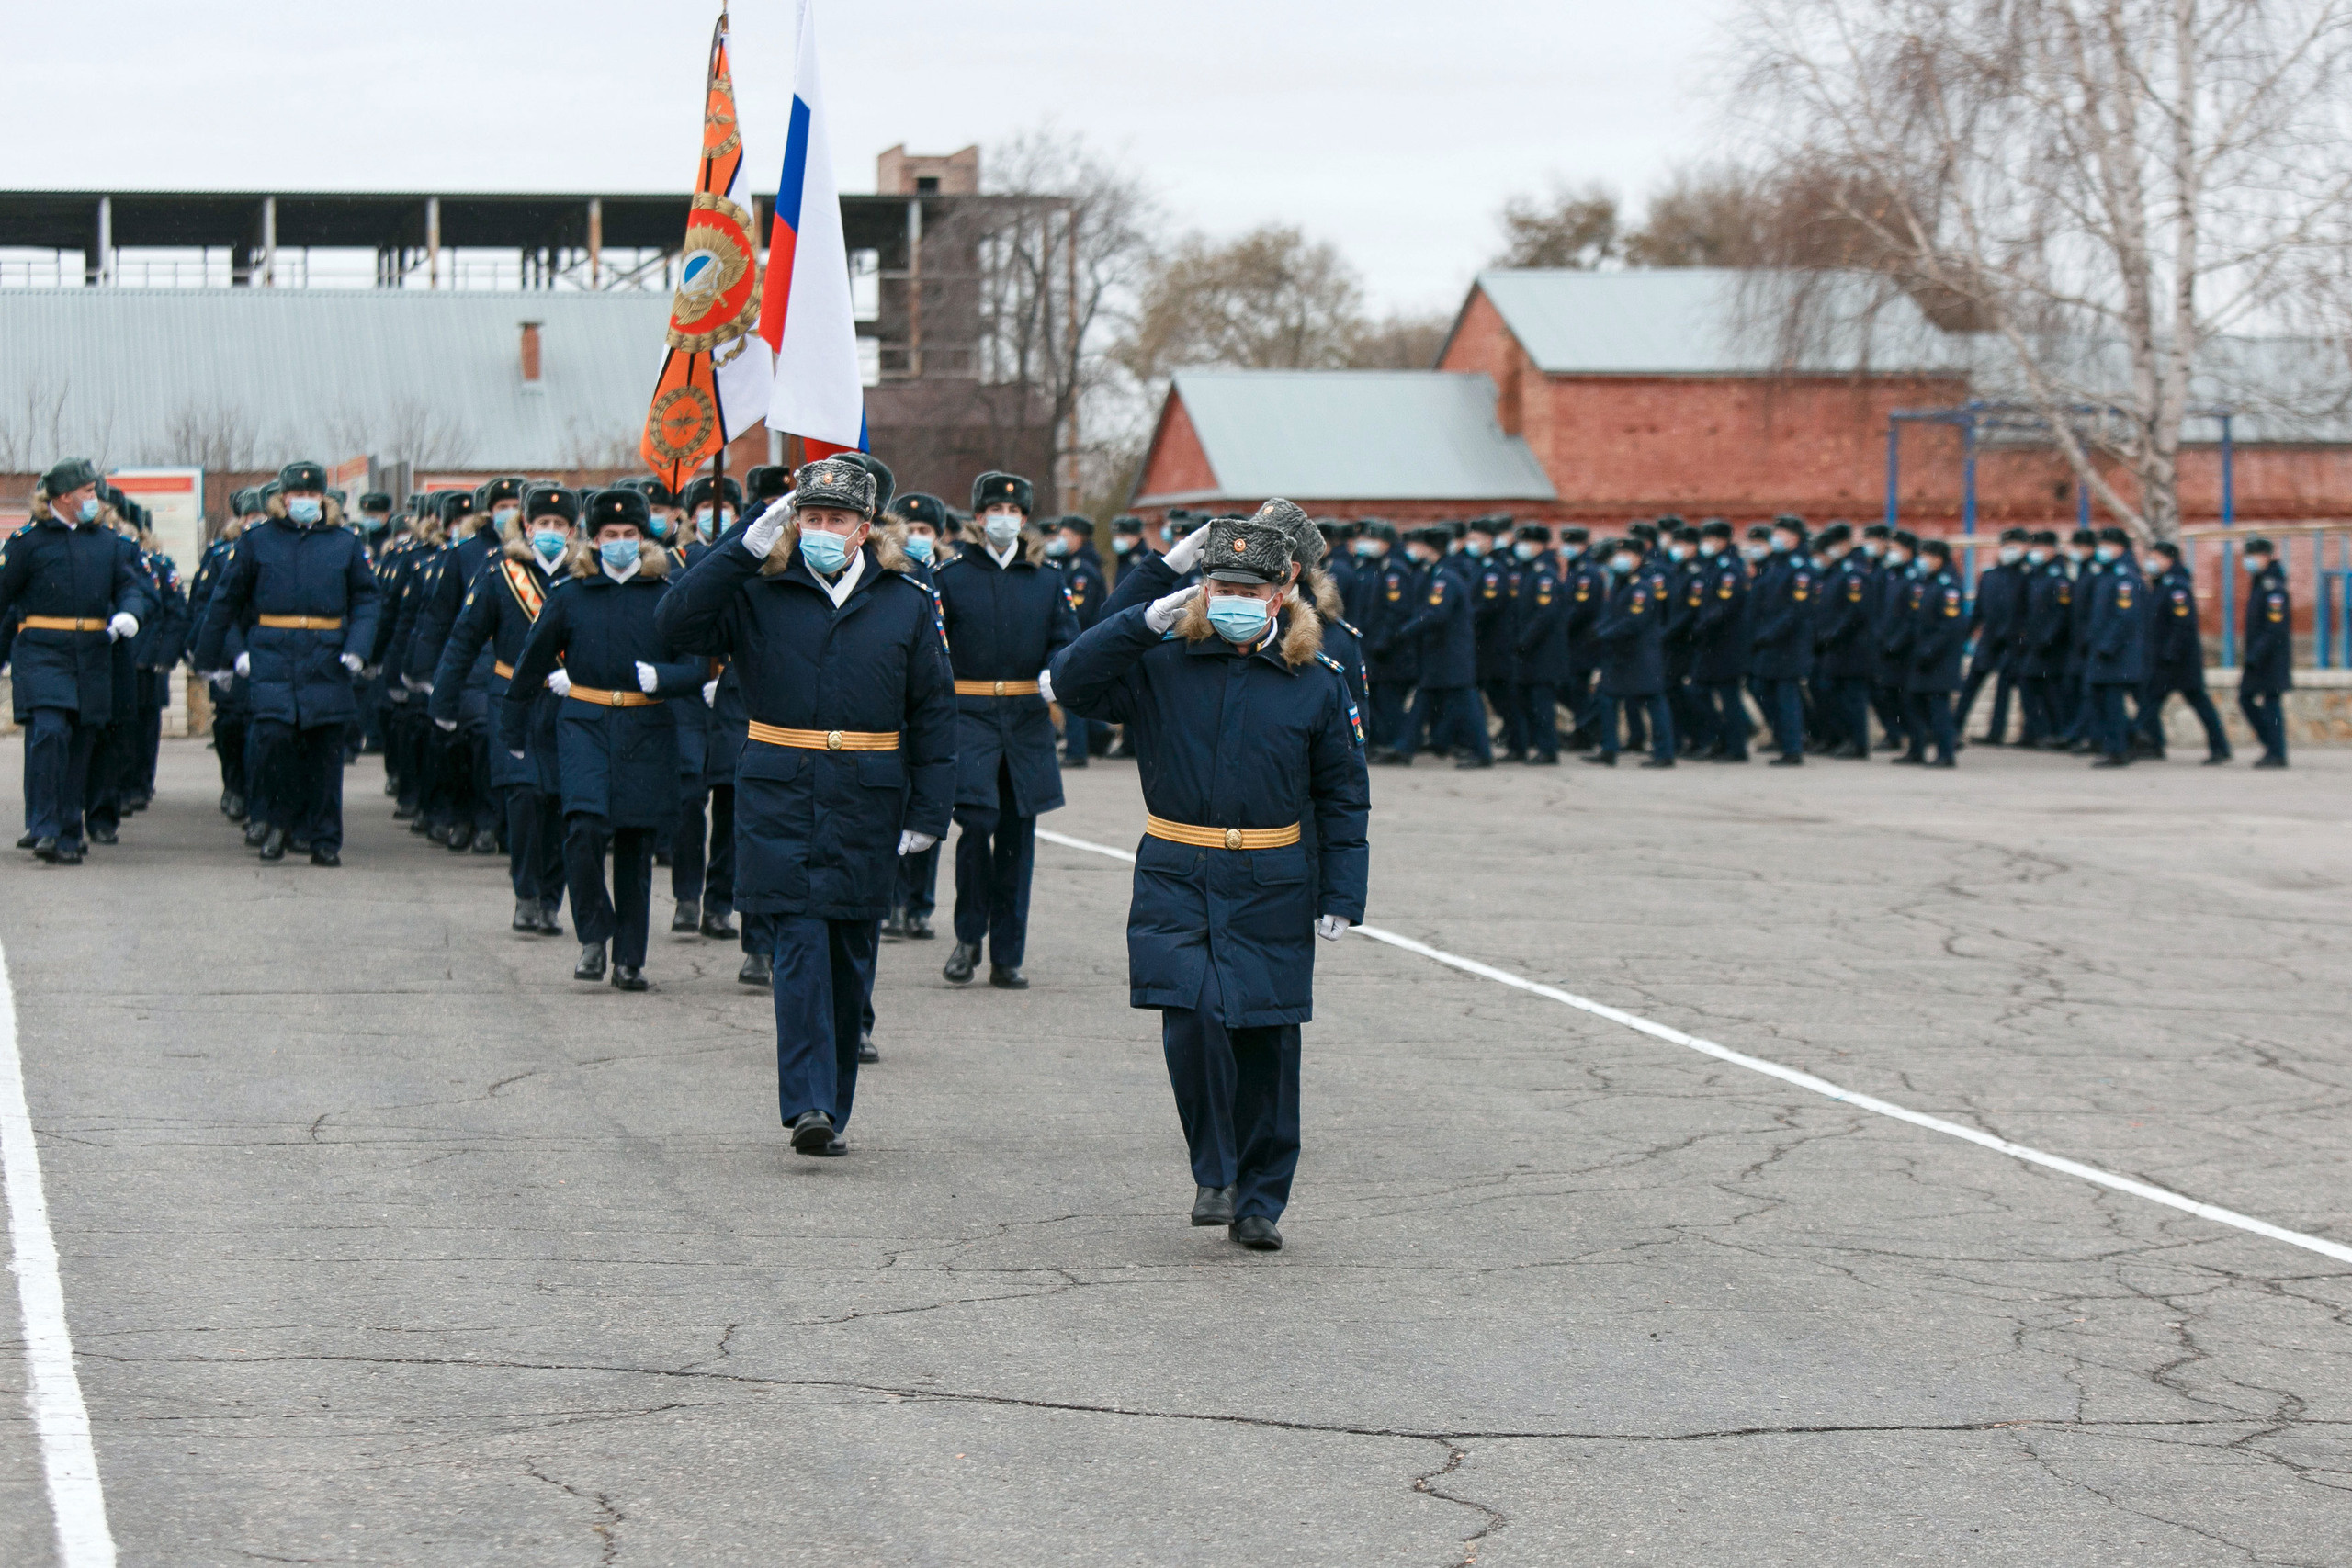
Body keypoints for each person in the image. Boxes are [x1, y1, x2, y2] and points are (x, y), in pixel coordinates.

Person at [1049, 508, 1369, 1252]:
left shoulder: (1314, 680)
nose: (1230, 596)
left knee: (1266, 1040)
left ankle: (1261, 1198)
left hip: (1273, 876)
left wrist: (1341, 892)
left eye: (1246, 587)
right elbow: (1072, 680)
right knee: (1190, 1016)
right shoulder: (1161, 664)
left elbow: (1343, 793)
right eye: (1219, 582)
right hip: (1177, 870)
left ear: (1280, 593)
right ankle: (1216, 1174)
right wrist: (1145, 605)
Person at [655, 457, 956, 1155]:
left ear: (864, 528)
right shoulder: (759, 591)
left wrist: (929, 813)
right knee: (797, 943)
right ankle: (808, 1103)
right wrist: (742, 546)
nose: (823, 529)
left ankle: (834, 1099)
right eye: (811, 518)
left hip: (867, 794)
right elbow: (673, 622)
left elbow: (935, 716)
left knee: (850, 952)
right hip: (779, 789)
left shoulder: (905, 602)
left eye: (837, 519)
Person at [500, 488, 705, 990]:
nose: (619, 543)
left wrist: (665, 677)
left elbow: (698, 667)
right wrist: (514, 723)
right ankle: (595, 933)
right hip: (585, 726)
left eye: (628, 535)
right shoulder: (571, 595)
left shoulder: (666, 597)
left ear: (642, 538)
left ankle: (629, 958)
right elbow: (531, 661)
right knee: (584, 829)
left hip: (645, 730)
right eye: (609, 535)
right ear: (592, 539)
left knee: (635, 843)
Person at [933, 471, 1079, 989]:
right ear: (978, 518)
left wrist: (1053, 670)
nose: (1005, 519)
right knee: (975, 826)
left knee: (1019, 837)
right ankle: (968, 937)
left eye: (1015, 513)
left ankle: (1007, 954)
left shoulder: (1046, 578)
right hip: (969, 719)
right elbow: (934, 647)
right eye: (995, 510)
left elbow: (1066, 639)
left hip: (1025, 721)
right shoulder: (949, 577)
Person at [191, 460, 379, 864]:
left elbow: (367, 598)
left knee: (325, 750)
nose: (306, 503)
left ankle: (324, 838)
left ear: (324, 499)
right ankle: (275, 825)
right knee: (274, 743)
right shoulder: (258, 541)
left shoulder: (343, 543)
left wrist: (358, 647)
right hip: (273, 654)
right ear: (283, 498)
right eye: (298, 496)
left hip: (327, 657)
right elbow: (226, 600)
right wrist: (213, 659)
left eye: (313, 496)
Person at [433, 483, 577, 933]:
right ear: (528, 527)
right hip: (512, 699)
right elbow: (464, 638)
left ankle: (553, 898)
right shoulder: (500, 573)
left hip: (569, 703)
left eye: (559, 525)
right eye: (543, 524)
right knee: (523, 797)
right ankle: (526, 894)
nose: (550, 532)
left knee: (560, 802)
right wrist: (445, 695)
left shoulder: (585, 578)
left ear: (572, 530)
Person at [0, 458, 150, 863]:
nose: (94, 500)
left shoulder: (106, 543)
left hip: (91, 655)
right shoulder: (26, 543)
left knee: (81, 745)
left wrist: (129, 613)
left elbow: (130, 586)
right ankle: (45, 827)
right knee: (50, 733)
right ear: (64, 496)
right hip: (42, 652)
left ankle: (69, 832)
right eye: (87, 492)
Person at [881, 492, 954, 942]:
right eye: (909, 531)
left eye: (925, 531)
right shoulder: (892, 576)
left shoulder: (944, 579)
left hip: (930, 703)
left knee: (927, 809)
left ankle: (919, 905)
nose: (916, 539)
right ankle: (889, 900)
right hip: (893, 711)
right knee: (891, 808)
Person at [2133, 542, 2231, 763]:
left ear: (2169, 559)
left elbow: (2182, 625)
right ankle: (2149, 744)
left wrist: (2169, 653)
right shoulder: (2161, 584)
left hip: (2179, 662)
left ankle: (2220, 748)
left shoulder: (2177, 587)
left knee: (2194, 703)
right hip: (2165, 659)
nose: (2152, 563)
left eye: (2155, 558)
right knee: (2150, 702)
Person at [1587, 537, 1673, 766]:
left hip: (1640, 655)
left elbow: (1634, 621)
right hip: (1620, 655)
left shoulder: (1641, 587)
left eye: (1625, 555)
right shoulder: (1620, 583)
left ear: (1637, 558)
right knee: (1607, 698)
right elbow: (1612, 616)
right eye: (1617, 555)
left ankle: (1664, 753)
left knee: (1654, 701)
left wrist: (1604, 634)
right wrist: (1600, 630)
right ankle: (1609, 749)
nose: (1620, 560)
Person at [1747, 515, 1815, 765]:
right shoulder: (1776, 564)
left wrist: (1769, 634)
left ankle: (1793, 747)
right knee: (1764, 689)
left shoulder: (1800, 568)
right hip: (1770, 641)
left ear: (1794, 538)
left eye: (1781, 534)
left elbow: (1796, 610)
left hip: (1788, 643)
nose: (1775, 539)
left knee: (1786, 695)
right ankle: (1786, 739)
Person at [2081, 527, 2149, 767]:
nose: (2102, 550)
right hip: (2102, 651)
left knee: (2111, 702)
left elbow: (2125, 617)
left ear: (2120, 547)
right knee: (2099, 699)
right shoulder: (2107, 574)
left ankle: (2118, 748)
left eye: (2107, 545)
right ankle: (2125, 740)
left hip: (2117, 653)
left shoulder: (2124, 578)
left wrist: (2107, 646)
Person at [1046, 513, 1111, 766]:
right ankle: (1097, 734)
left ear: (1078, 537)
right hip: (1080, 637)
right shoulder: (1073, 563)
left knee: (1070, 691)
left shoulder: (1082, 569)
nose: (1061, 541)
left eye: (1065, 536)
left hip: (1080, 637)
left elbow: (1079, 610)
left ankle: (1077, 750)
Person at [1895, 538, 1965, 766]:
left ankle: (1946, 753)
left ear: (1938, 559)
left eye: (1926, 556)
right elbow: (1914, 619)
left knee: (1938, 707)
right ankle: (1917, 749)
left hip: (1939, 658)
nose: (1921, 561)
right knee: (1912, 702)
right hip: (1920, 656)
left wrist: (1929, 649)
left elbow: (1950, 626)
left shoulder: (1949, 586)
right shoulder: (1924, 583)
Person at [1689, 519, 1753, 761]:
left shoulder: (1729, 569)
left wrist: (1701, 625)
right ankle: (1720, 738)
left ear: (1722, 541)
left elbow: (1724, 606)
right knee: (1698, 691)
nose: (1705, 544)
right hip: (1711, 644)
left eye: (1710, 539)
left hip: (1726, 644)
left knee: (1729, 697)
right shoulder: (1712, 566)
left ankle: (1736, 749)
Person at [1961, 528, 2030, 742]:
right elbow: (1979, 611)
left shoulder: (2027, 576)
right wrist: (1965, 636)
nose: (2011, 550)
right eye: (2008, 545)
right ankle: (1954, 725)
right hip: (1989, 639)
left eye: (2016, 545)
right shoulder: (1990, 576)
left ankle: (1996, 732)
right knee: (1971, 685)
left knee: (2004, 688)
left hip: (2013, 640)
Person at [2237, 537, 2292, 767]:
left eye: (2253, 556)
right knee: (2247, 698)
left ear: (2266, 556)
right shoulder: (2260, 583)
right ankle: (2272, 744)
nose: (2248, 561)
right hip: (2259, 657)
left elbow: (2275, 628)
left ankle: (2276, 751)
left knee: (2271, 702)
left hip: (2270, 657)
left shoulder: (2273, 588)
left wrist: (2256, 654)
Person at [2014, 531, 2072, 749]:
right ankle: (2037, 731)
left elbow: (2061, 614)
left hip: (2050, 647)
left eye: (2040, 548)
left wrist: (2047, 639)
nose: (2035, 552)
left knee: (2050, 692)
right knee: (2030, 686)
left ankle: (2055, 732)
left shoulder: (2059, 577)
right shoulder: (2034, 575)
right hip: (2032, 643)